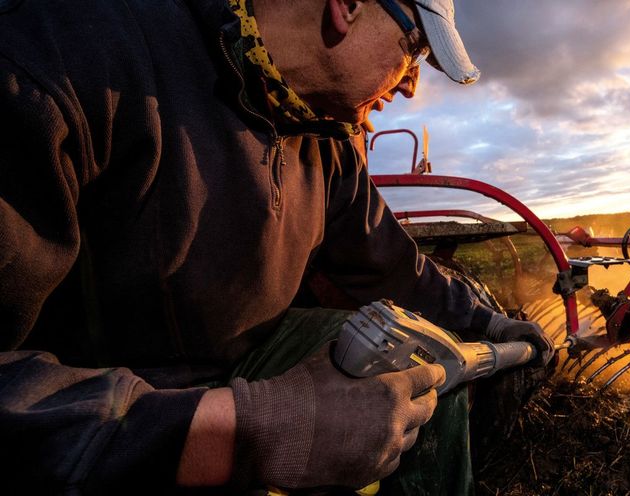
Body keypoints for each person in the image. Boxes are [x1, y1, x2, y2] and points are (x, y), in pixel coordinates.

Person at [0, 0, 554, 494]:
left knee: (423, 359)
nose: (411, 84)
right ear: (348, 6)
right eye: (413, 51)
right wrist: (250, 429)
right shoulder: (67, 52)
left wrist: (489, 323)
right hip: (102, 394)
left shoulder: (326, 137)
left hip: (244, 356)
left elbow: (389, 263)